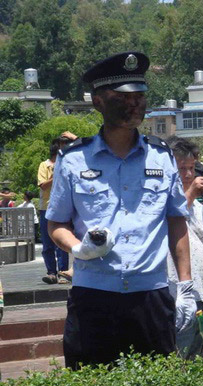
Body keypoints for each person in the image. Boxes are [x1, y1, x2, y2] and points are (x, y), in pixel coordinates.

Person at [46, 51, 195, 369]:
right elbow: (56, 224)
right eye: (124, 96)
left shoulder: (161, 156)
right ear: (98, 101)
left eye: (140, 96)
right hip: (95, 296)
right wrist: (79, 248)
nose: (134, 103)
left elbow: (176, 222)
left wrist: (185, 286)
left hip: (151, 296)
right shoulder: (73, 159)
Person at [167, 139, 203, 358]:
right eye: (181, 168)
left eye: (192, 168)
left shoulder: (200, 206)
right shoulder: (162, 201)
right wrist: (191, 194)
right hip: (175, 291)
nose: (188, 174)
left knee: (198, 350)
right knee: (179, 352)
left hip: (200, 290)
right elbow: (172, 217)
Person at [38, 143, 70, 284]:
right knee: (47, 243)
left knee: (62, 242)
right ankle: (51, 272)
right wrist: (56, 174)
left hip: (62, 207)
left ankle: (63, 272)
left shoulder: (68, 164)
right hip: (46, 208)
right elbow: (43, 185)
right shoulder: (44, 165)